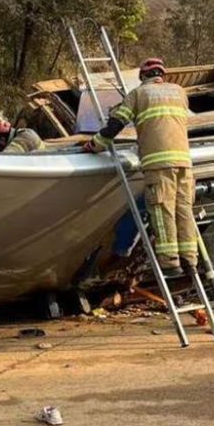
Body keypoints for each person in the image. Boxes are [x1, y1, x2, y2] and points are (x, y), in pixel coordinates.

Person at [84, 57, 195, 278]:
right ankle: (190, 259)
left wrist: (94, 144)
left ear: (143, 76)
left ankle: (170, 263)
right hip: (184, 162)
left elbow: (115, 126)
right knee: (183, 210)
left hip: (158, 164)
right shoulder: (180, 92)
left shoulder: (138, 94)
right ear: (162, 74)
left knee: (163, 210)